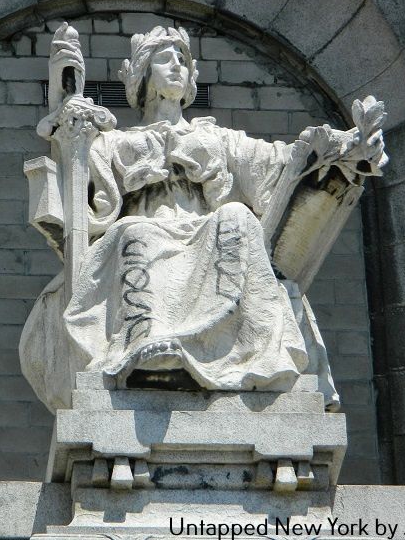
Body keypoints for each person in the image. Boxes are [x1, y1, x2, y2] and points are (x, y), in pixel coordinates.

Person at [20, 25, 386, 413]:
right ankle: (145, 344)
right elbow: (79, 196)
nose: (177, 64)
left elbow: (282, 163)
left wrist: (348, 148)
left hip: (207, 234)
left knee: (235, 216)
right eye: (166, 57)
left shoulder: (217, 139)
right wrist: (68, 126)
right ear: (143, 74)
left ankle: (243, 347)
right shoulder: (115, 142)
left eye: (184, 59)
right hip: (145, 231)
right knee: (134, 229)